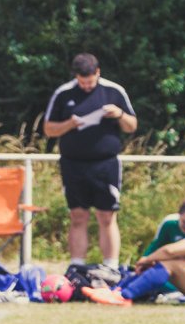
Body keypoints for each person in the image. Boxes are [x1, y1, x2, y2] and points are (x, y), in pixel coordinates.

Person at [43, 53, 137, 276]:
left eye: (90, 82)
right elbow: (49, 129)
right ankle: (76, 265)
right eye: (82, 82)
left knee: (107, 216)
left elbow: (132, 125)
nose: (86, 86)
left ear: (98, 73)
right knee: (78, 215)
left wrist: (119, 114)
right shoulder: (63, 93)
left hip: (105, 164)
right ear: (76, 77)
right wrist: (69, 124)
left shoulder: (114, 91)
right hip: (73, 164)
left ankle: (111, 266)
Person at [82, 185, 185, 307]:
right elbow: (179, 255)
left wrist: (147, 259)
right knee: (166, 264)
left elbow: (171, 250)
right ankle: (116, 292)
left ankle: (123, 296)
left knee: (170, 263)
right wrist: (153, 262)